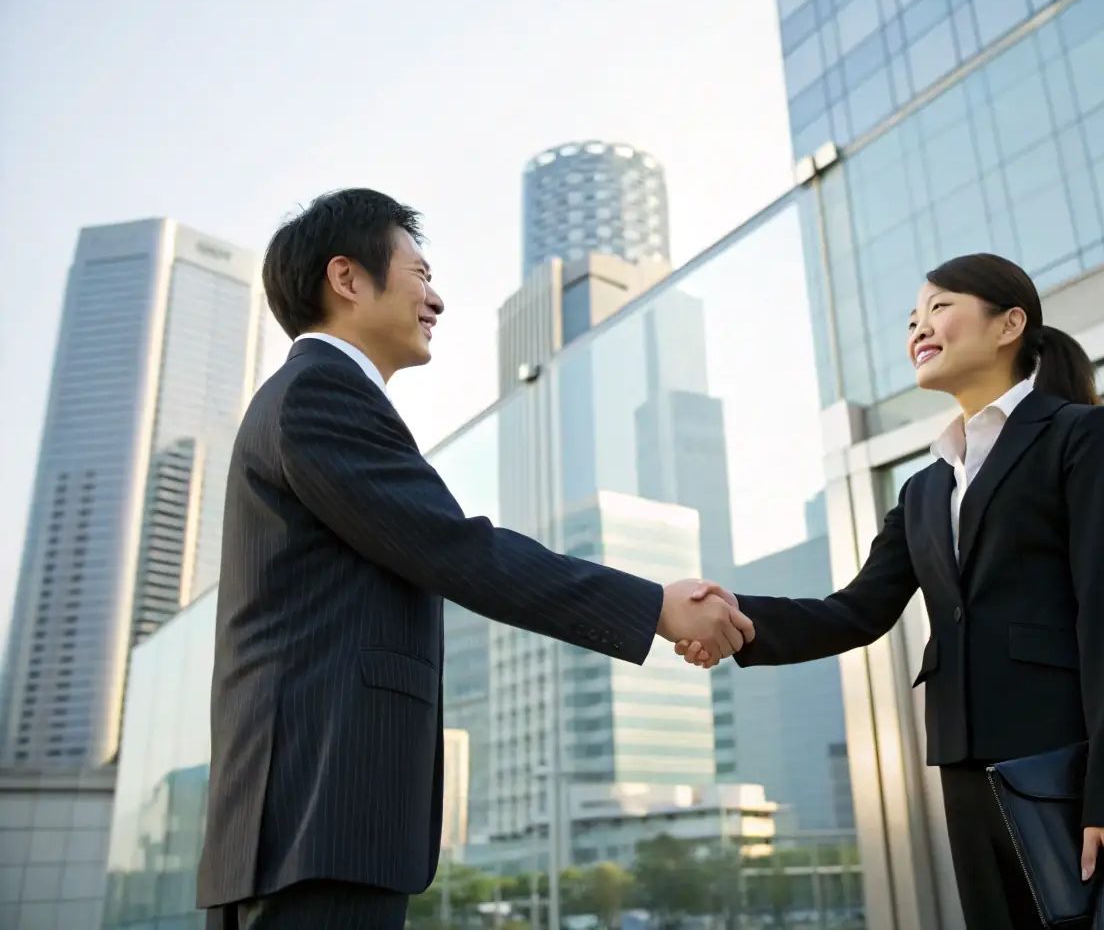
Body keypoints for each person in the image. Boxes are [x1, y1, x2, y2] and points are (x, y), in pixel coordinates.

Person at [196, 189, 752, 929]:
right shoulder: (319, 394)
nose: (437, 298)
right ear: (347, 278)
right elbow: (456, 549)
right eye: (418, 273)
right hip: (316, 808)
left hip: (298, 815)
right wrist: (652, 607)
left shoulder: (304, 396)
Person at [678, 253, 1104, 928]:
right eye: (912, 319)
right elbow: (854, 611)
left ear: (1008, 325)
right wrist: (733, 617)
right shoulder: (924, 487)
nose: (918, 328)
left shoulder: (1077, 434)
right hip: (964, 763)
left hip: (1067, 757)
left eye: (938, 307)